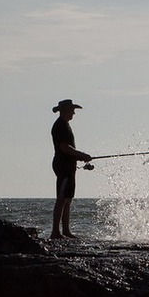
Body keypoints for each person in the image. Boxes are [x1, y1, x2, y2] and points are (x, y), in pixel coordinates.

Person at [50, 99, 92, 239]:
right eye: (72, 110)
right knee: (62, 198)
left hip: (68, 165)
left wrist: (78, 156)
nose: (74, 112)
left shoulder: (65, 125)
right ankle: (56, 232)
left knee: (68, 198)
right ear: (65, 111)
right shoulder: (60, 126)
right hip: (63, 165)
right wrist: (82, 155)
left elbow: (68, 149)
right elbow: (64, 148)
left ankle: (66, 231)